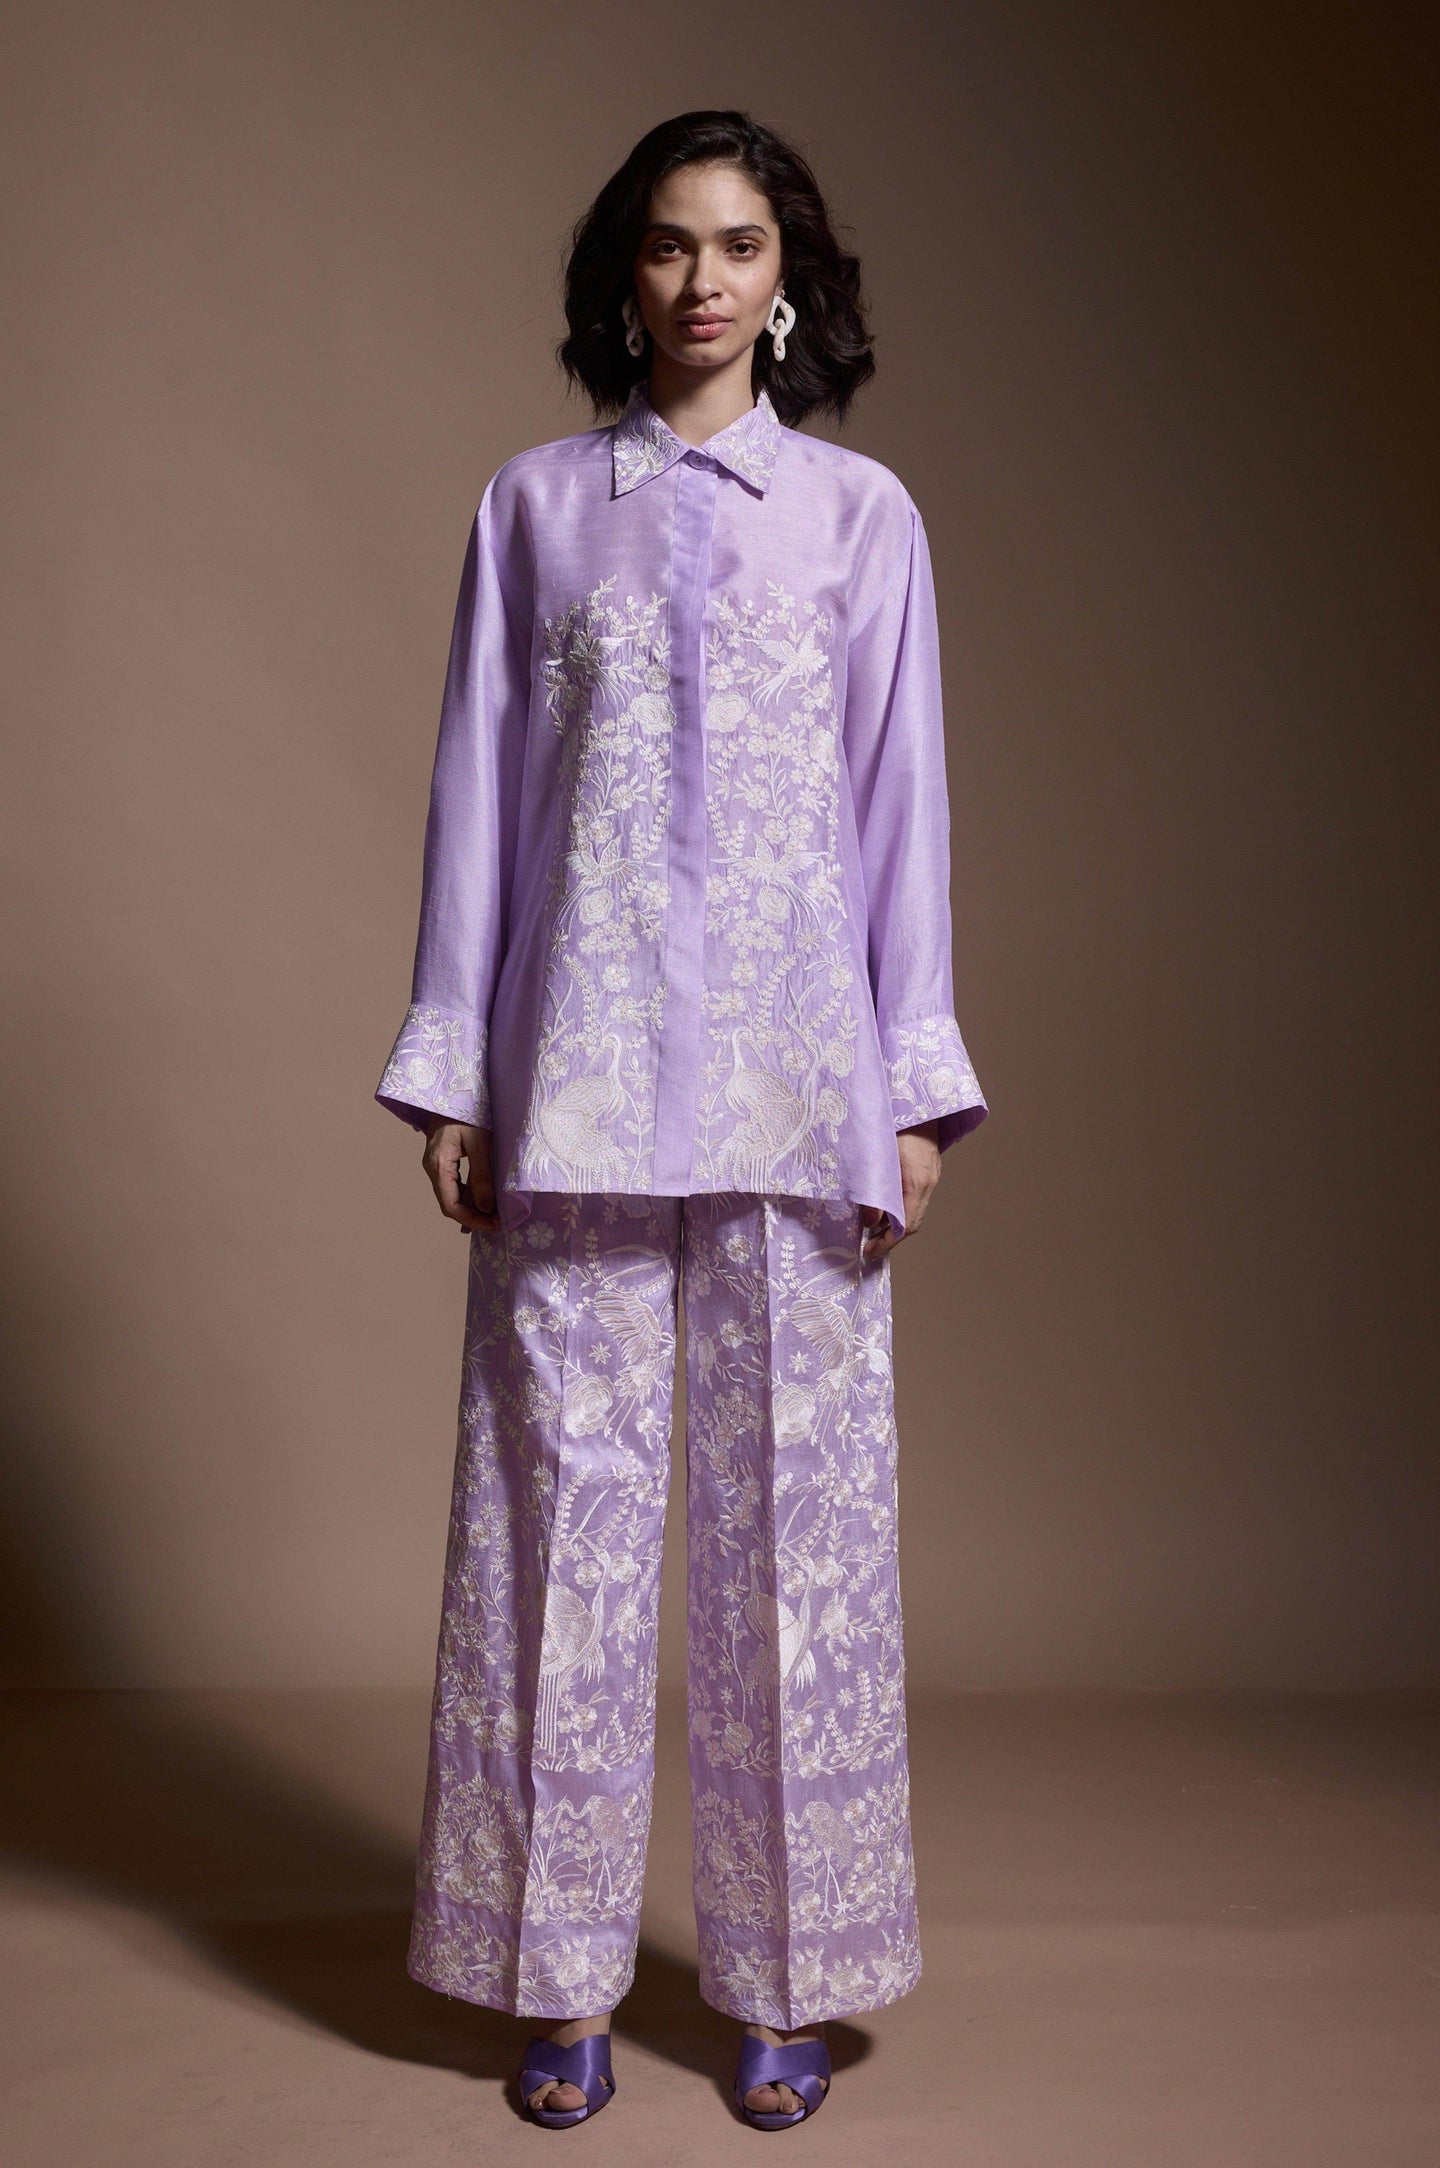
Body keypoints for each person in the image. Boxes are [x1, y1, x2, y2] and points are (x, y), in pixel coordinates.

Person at [375, 107, 988, 2133]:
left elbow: (900, 813)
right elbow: (476, 795)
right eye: (667, 243)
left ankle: (784, 1980)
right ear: (620, 275)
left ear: (787, 278)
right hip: (572, 1091)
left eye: (738, 244)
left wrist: (911, 1096)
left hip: (802, 1098)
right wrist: (454, 1069)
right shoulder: (535, 509)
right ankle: (552, 1978)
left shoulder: (862, 519)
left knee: (794, 1551)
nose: (702, 279)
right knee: (555, 1531)